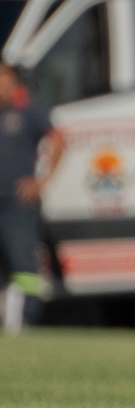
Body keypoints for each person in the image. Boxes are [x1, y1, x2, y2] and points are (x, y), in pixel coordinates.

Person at [0, 59, 62, 334]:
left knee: (23, 262)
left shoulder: (29, 108)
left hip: (18, 202)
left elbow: (59, 139)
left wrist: (41, 182)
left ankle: (26, 320)